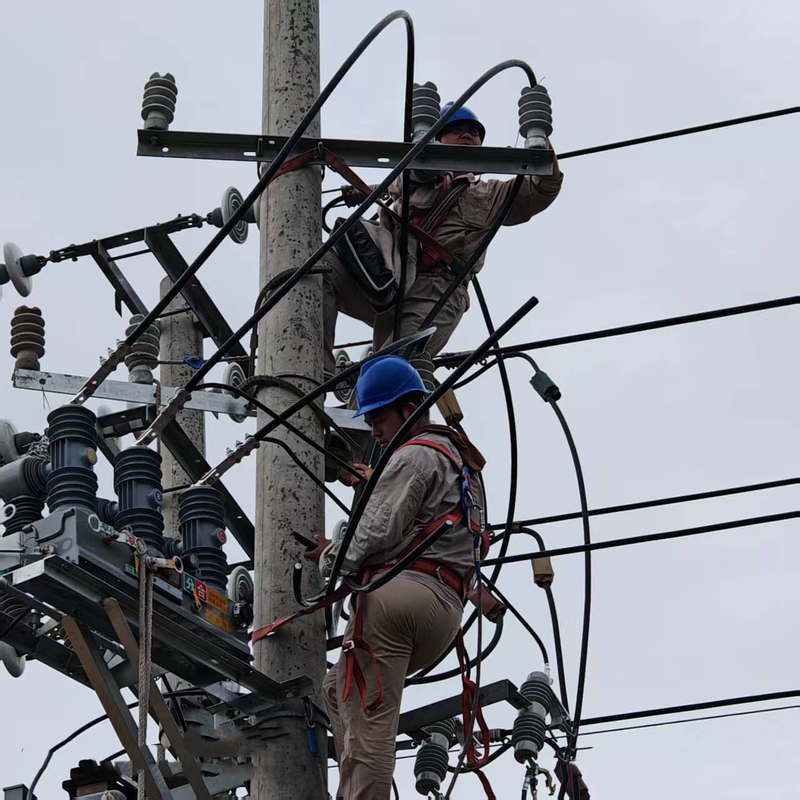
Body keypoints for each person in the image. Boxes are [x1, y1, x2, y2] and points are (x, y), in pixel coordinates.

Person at [304, 355, 487, 799]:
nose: (374, 432)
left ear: (410, 409)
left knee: (368, 727)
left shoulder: (414, 454)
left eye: (379, 419)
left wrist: (330, 558)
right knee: (337, 690)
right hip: (443, 611)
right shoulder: (459, 461)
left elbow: (373, 535)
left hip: (400, 601)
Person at [322, 102, 564, 380]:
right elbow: (410, 175)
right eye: (457, 130)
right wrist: (424, 153)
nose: (467, 135)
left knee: (388, 373)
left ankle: (373, 403)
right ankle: (313, 378)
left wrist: (538, 138)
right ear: (437, 137)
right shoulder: (412, 175)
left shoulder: (490, 194)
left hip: (437, 291)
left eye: (474, 132)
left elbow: (541, 189)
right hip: (389, 275)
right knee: (318, 270)